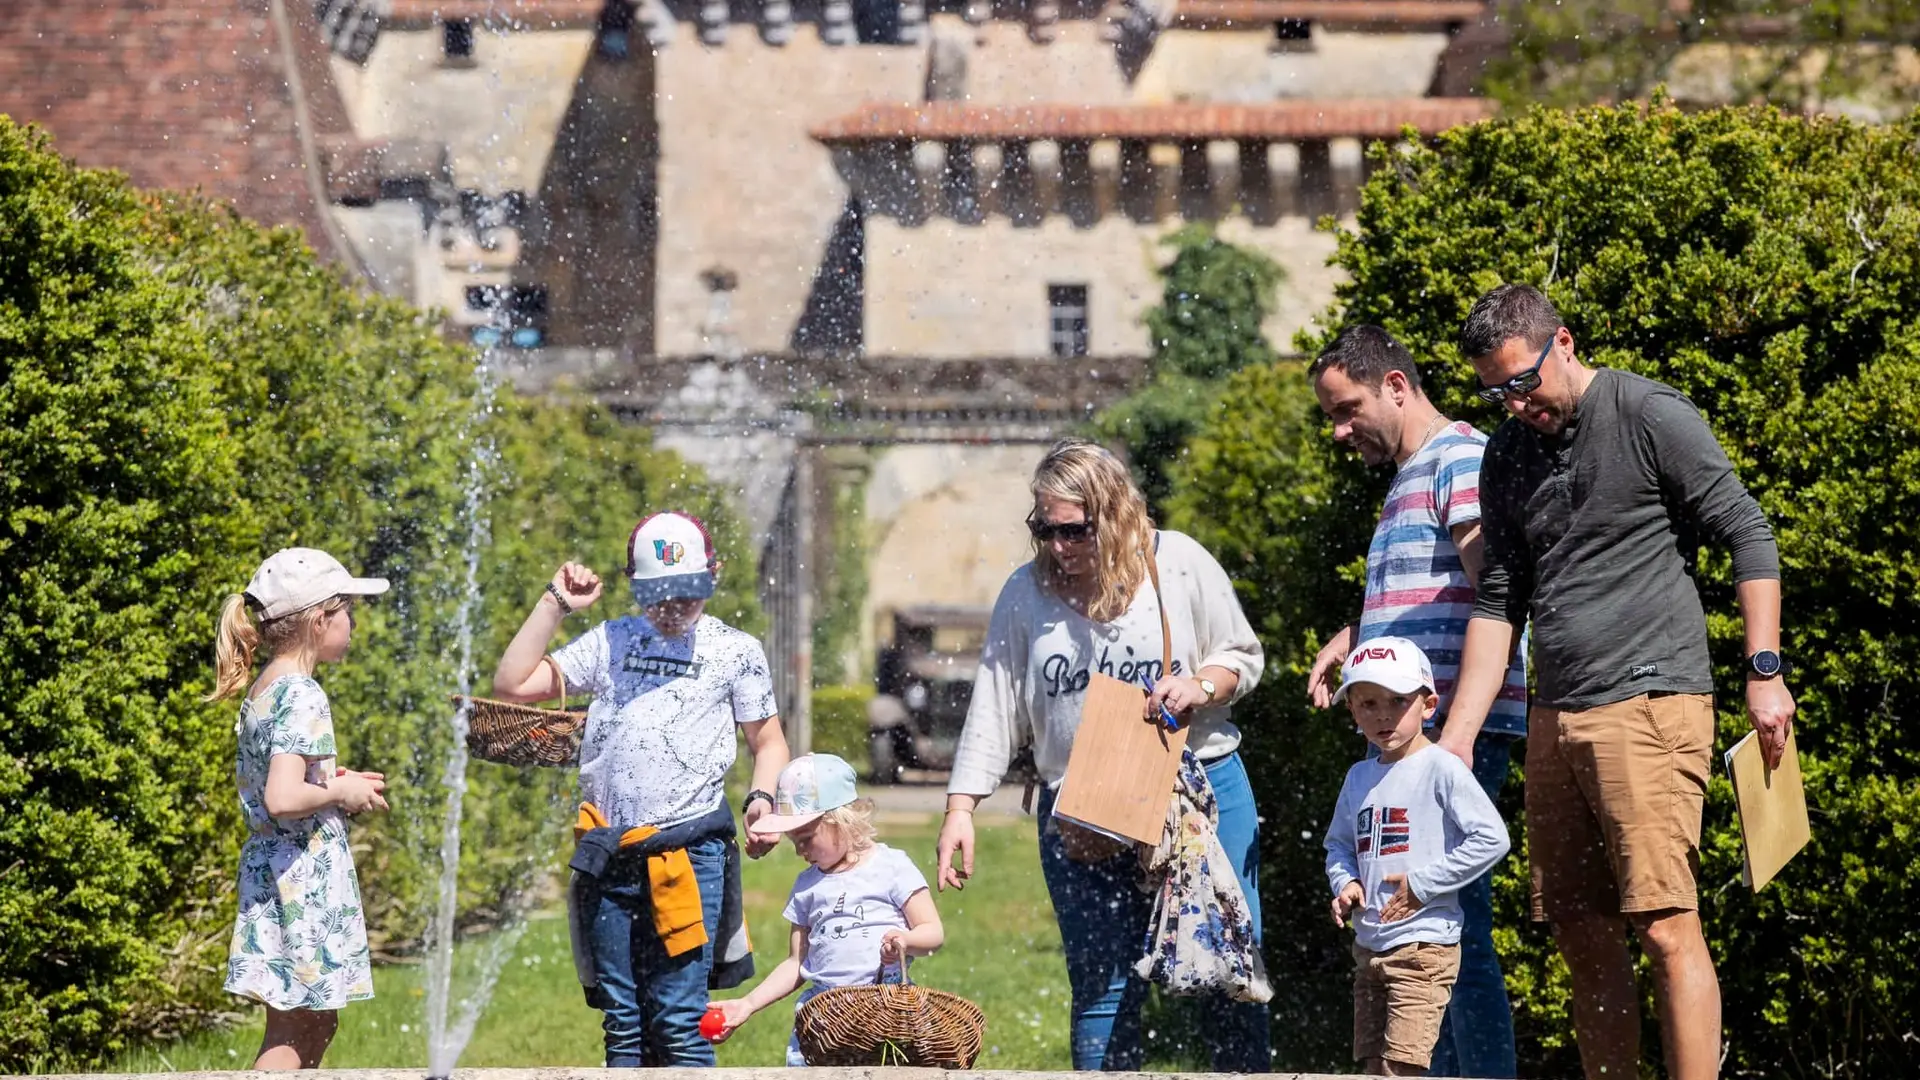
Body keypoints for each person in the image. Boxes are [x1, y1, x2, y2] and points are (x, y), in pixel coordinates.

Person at [1443, 284, 1796, 1080]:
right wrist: (1457, 737)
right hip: (1554, 715)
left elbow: (1748, 531)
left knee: (1666, 925)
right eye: (1494, 392)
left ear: (1562, 343)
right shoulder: (1506, 453)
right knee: (1580, 932)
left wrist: (1764, 672)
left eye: (1522, 382)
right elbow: (1499, 597)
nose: (1514, 403)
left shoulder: (1648, 414)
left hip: (1650, 702)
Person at [934, 437, 1270, 1072]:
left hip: (1199, 793)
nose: (1057, 548)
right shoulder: (1025, 592)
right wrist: (960, 809)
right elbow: (994, 703)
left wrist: (1197, 686)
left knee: (1227, 971)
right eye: (1044, 530)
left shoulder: (1179, 565)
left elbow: (1242, 657)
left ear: (1115, 514)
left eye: (1074, 531)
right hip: (1083, 804)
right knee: (1102, 985)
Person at [490, 510, 791, 1067]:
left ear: (713, 576)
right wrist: (554, 602)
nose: (673, 610)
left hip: (690, 854)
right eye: (659, 597)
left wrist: (760, 799)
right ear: (633, 584)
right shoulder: (610, 640)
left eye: (687, 595)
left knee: (678, 1018)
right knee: (622, 1020)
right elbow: (511, 683)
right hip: (611, 853)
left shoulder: (735, 651)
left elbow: (769, 744)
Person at [1306, 324, 1528, 1077]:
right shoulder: (1411, 475)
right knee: (1421, 928)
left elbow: (1496, 591)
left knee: (1448, 930)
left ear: (1396, 387)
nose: (1340, 431)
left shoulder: (1457, 458)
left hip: (1453, 735)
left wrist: (1458, 732)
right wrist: (1355, 633)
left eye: (1348, 409)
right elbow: (1437, 588)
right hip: (1418, 737)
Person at [210, 547, 393, 1069]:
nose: (354, 623)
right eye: (347, 612)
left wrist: (335, 778)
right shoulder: (303, 693)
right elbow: (284, 798)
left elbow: (280, 781)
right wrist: (339, 793)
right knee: (294, 1027)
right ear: (319, 621)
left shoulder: (267, 687)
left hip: (274, 871)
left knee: (312, 1018)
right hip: (300, 880)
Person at [1324, 637, 1511, 1077]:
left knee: (1401, 1067)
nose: (1383, 714)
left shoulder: (1442, 767)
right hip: (1368, 947)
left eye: (1398, 701)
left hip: (1424, 945)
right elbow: (1337, 846)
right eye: (1367, 703)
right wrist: (1345, 883)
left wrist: (1422, 885)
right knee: (1374, 1066)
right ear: (1352, 710)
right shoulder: (1359, 777)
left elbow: (1492, 838)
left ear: (1428, 705)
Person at [706, 753, 945, 1064]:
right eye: (794, 841)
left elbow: (933, 932)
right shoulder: (807, 886)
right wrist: (748, 1004)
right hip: (824, 1020)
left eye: (805, 839)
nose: (800, 850)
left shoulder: (892, 867)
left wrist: (905, 940)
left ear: (841, 820)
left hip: (886, 1012)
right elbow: (797, 962)